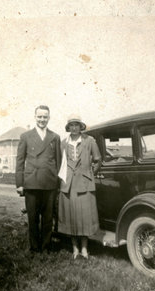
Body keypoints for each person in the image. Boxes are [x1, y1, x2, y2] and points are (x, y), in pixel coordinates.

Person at [16, 105, 61, 252]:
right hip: (32, 182)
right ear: (35, 117)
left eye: (45, 117)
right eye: (39, 116)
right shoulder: (26, 136)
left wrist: (58, 184)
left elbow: (59, 162)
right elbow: (20, 161)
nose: (42, 119)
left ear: (49, 118)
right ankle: (34, 248)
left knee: (48, 218)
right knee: (33, 218)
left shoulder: (55, 137)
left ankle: (46, 246)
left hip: (49, 183)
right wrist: (19, 183)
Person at [58, 114, 101, 259]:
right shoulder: (63, 143)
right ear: (68, 127)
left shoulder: (89, 141)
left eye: (77, 124)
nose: (74, 127)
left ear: (81, 126)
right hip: (68, 185)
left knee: (85, 218)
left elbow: (97, 160)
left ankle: (84, 248)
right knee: (71, 217)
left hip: (85, 185)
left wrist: (89, 174)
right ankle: (75, 248)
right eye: (72, 125)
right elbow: (60, 164)